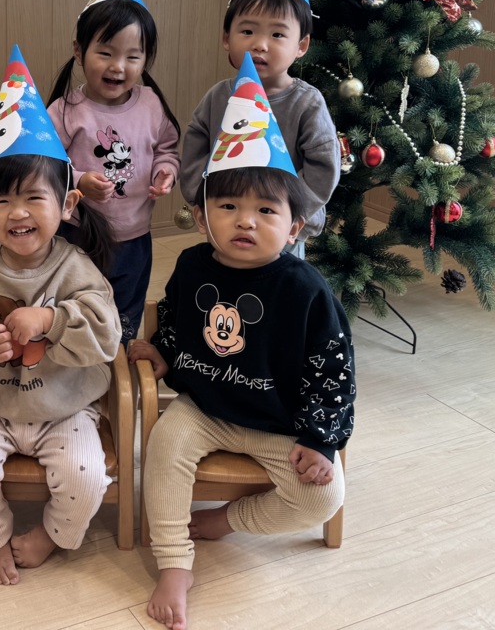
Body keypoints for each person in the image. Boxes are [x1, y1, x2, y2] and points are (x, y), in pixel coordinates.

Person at [129, 58, 355, 630]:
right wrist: (164, 351)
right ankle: (174, 562)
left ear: (295, 226)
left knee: (323, 498)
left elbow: (333, 369)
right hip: (206, 408)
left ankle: (226, 520)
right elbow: (177, 318)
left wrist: (320, 440)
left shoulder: (305, 289)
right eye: (228, 207)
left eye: (265, 210)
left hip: (282, 422)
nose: (245, 221)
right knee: (162, 445)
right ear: (202, 216)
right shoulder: (192, 264)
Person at [0, 47, 121, 587]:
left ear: (68, 204)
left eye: (35, 198)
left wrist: (51, 322)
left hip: (67, 406)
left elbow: (107, 334)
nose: (18, 213)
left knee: (87, 476)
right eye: (2, 201)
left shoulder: (76, 266)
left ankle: (53, 535)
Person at [178, 0, 340, 257]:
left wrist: (290, 212)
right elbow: (195, 146)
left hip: (284, 231)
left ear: (302, 45)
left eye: (277, 34)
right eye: (247, 31)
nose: (260, 45)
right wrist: (203, 198)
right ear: (227, 38)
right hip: (226, 225)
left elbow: (324, 165)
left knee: (282, 285)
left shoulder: (306, 103)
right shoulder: (218, 97)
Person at [47, 0, 181, 341]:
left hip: (135, 235)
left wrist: (166, 171)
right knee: (76, 305)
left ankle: (118, 358)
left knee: (126, 310)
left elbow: (167, 148)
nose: (118, 67)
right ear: (79, 51)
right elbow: (44, 166)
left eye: (133, 57)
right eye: (105, 52)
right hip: (78, 234)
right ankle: (77, 356)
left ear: (146, 58)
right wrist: (78, 181)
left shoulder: (151, 103)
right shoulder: (65, 111)